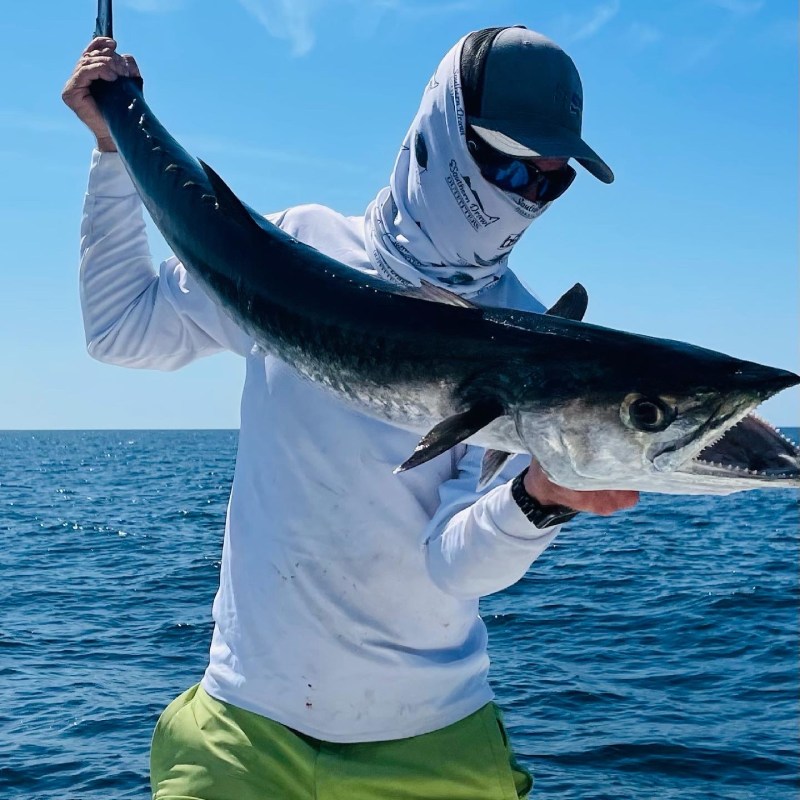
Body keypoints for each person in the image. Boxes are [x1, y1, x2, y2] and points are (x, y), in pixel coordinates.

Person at [63, 24, 638, 800]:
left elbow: (454, 563)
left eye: (547, 183)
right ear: (443, 132)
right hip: (244, 731)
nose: (523, 197)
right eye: (507, 167)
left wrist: (538, 503)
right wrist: (110, 152)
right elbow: (120, 329)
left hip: (434, 745)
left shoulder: (529, 344)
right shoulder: (300, 246)